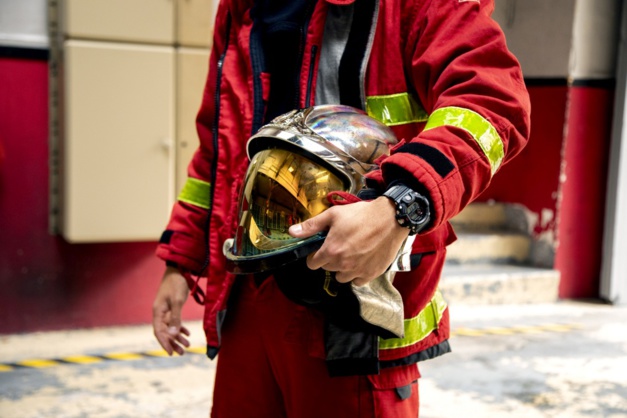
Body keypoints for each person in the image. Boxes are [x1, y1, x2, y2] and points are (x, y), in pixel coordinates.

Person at [152, 0, 531, 416]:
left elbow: (492, 102)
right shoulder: (240, 8)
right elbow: (218, 151)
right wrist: (180, 263)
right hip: (247, 290)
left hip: (353, 298)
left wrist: (399, 204)